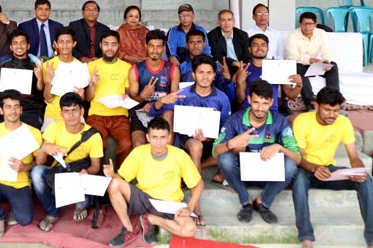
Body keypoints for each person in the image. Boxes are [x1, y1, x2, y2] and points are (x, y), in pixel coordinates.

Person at [150, 54, 231, 225]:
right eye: (201, 72)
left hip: (212, 142)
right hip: (186, 142)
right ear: (193, 75)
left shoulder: (222, 98)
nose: (205, 76)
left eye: (209, 73)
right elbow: (153, 112)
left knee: (228, 146)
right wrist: (162, 101)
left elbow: (226, 130)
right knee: (194, 143)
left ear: (214, 75)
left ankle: (193, 178)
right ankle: (197, 205)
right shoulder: (182, 94)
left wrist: (211, 136)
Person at [292, 87, 373, 248]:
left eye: (336, 110)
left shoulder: (343, 122)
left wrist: (358, 171)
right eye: (327, 110)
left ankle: (371, 239)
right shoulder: (302, 120)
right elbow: (298, 158)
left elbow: (354, 156)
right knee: (299, 181)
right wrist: (314, 168)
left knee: (366, 180)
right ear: (316, 106)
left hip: (329, 171)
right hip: (306, 169)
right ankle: (306, 237)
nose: (332, 115)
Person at [103, 117, 204, 246]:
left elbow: (199, 183)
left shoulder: (179, 155)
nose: (158, 142)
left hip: (171, 203)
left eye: (162, 137)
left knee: (189, 230)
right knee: (114, 184)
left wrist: (190, 207)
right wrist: (112, 175)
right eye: (154, 137)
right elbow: (121, 179)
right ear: (147, 137)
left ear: (169, 138)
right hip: (144, 199)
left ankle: (152, 220)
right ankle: (128, 229)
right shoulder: (139, 152)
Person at [213, 80, 300, 224]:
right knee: (224, 159)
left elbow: (297, 159)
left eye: (265, 103)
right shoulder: (235, 120)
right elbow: (215, 151)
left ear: (272, 102)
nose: (260, 108)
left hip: (269, 175)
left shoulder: (280, 121)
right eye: (256, 102)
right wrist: (231, 143)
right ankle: (246, 201)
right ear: (249, 100)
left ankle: (263, 202)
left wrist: (280, 148)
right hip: (241, 175)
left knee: (290, 165)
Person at [31, 92, 103, 232]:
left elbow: (95, 166)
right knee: (36, 172)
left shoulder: (93, 135)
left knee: (85, 196)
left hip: (80, 176)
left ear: (82, 111)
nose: (71, 115)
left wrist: (86, 172)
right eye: (67, 111)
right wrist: (45, 148)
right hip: (60, 173)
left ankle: (81, 205)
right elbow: (39, 162)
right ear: (61, 114)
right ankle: (52, 212)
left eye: (74, 110)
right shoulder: (54, 128)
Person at [0, 90, 43, 237]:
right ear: (1, 110)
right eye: (8, 107)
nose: (12, 111)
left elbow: (39, 162)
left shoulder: (33, 132)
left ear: (21, 109)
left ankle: (15, 208)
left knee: (25, 219)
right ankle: (0, 217)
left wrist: (26, 166)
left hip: (20, 183)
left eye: (16, 106)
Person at [85, 30, 132, 168]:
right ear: (100, 45)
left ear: (119, 46)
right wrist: (92, 83)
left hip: (119, 116)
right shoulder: (91, 66)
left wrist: (127, 96)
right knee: (98, 142)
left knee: (126, 144)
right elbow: (87, 98)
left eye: (113, 44)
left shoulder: (126, 67)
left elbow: (129, 93)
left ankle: (121, 175)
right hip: (96, 115)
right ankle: (98, 174)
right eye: (106, 44)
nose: (109, 48)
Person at [128, 29, 180, 148]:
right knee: (138, 144)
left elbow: (174, 98)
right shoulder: (136, 69)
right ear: (146, 46)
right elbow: (132, 100)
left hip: (162, 113)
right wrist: (143, 96)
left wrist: (156, 104)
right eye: (151, 46)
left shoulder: (172, 69)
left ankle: (167, 158)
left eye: (159, 47)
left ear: (163, 48)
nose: (155, 50)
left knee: (169, 113)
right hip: (140, 113)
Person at [235, 34, 303, 115]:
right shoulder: (244, 69)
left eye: (263, 45)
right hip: (249, 109)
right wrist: (239, 83)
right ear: (249, 49)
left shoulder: (278, 66)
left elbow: (291, 95)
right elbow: (240, 100)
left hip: (272, 110)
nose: (259, 48)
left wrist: (299, 86)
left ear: (268, 48)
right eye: (255, 45)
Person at [0, 29, 44, 130]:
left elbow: (40, 94)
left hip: (30, 111)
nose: (19, 46)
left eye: (22, 43)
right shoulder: (2, 67)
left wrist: (40, 78)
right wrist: (6, 103)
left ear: (28, 46)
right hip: (9, 112)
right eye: (15, 43)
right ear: (10, 47)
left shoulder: (36, 66)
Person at [286, 12, 340, 111]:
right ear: (300, 24)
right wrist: (309, 60)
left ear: (315, 24)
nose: (307, 27)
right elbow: (292, 57)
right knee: (297, 67)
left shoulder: (321, 33)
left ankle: (333, 102)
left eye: (310, 24)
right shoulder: (293, 35)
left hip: (315, 66)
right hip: (301, 65)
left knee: (333, 66)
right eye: (304, 24)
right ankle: (310, 102)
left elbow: (326, 52)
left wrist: (326, 62)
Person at [42, 27, 88, 131]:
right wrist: (48, 81)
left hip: (75, 116)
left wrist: (81, 96)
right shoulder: (48, 65)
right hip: (53, 115)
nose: (65, 45)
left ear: (74, 43)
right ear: (56, 44)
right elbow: (48, 98)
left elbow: (82, 98)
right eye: (61, 42)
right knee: (47, 145)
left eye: (68, 42)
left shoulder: (81, 67)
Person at [178, 29, 234, 103]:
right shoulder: (181, 67)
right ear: (187, 45)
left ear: (204, 44)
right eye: (192, 42)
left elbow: (230, 97)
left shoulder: (215, 66)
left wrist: (228, 80)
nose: (196, 46)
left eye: (199, 42)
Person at [208, 9, 251, 76]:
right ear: (218, 22)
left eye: (229, 20)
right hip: (223, 67)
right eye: (223, 20)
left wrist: (241, 68)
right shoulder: (212, 35)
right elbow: (216, 55)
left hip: (241, 67)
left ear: (233, 22)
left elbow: (247, 55)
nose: (227, 23)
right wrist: (234, 63)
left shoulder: (242, 35)